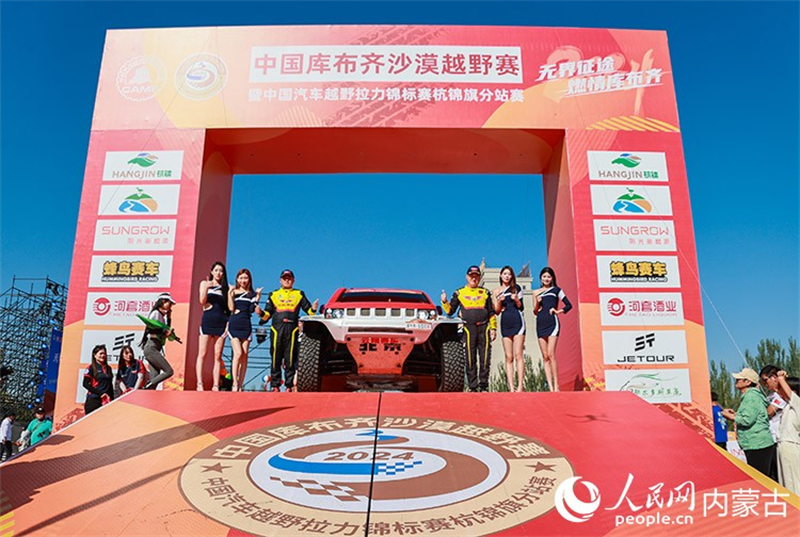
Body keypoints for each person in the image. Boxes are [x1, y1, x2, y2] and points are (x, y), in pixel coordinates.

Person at [259, 269, 318, 393]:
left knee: (290, 358)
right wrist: (260, 313)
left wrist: (313, 308)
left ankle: (289, 386)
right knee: (275, 357)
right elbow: (267, 315)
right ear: (280, 280)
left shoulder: (299, 294)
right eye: (285, 278)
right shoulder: (273, 294)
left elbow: (309, 311)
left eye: (289, 278)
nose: (287, 280)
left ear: (293, 280)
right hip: (277, 329)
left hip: (292, 329)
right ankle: (275, 385)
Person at [441, 265, 497, 392]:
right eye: (471, 276)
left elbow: (491, 312)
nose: (474, 278)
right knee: (470, 359)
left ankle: (484, 386)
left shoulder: (486, 292)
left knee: (485, 358)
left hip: (484, 328)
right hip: (468, 329)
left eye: (476, 276)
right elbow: (450, 311)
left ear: (479, 277)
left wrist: (493, 328)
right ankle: (473, 387)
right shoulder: (459, 293)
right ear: (467, 277)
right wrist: (444, 301)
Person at [721, 368, 776, 478]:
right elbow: (753, 416)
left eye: (740, 379)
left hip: (757, 444)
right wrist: (737, 415)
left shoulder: (750, 396)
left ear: (748, 382)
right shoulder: (753, 396)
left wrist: (731, 416)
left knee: (760, 478)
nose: (736, 381)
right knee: (765, 477)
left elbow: (747, 420)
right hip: (759, 443)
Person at [533, 266, 572, 392]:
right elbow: (535, 311)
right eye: (544, 276)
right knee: (545, 356)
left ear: (552, 278)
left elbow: (569, 304)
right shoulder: (536, 292)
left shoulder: (556, 290)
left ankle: (556, 385)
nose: (546, 279)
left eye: (548, 276)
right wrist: (538, 302)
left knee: (551, 354)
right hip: (540, 323)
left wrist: (558, 311)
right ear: (541, 278)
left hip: (552, 323)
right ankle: (550, 387)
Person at [195, 261, 230, 391]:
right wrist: (207, 287)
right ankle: (199, 383)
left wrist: (227, 325)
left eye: (221, 271)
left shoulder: (226, 288)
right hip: (207, 322)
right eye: (216, 270)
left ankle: (216, 384)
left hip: (221, 323)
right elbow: (202, 301)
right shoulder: (205, 284)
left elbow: (229, 309)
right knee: (202, 353)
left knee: (217, 356)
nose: (218, 273)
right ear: (211, 271)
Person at [227, 269, 263, 392]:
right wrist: (229, 293)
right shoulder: (233, 292)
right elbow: (230, 307)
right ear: (237, 279)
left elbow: (252, 309)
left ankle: (241, 384)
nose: (243, 280)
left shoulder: (251, 294)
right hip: (234, 324)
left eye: (245, 278)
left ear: (249, 280)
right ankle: (234, 384)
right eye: (240, 278)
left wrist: (258, 297)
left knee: (245, 354)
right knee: (237, 353)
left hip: (246, 325)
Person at [493, 265, 525, 392]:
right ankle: (511, 387)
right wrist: (500, 301)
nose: (507, 276)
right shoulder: (496, 291)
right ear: (500, 275)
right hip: (505, 323)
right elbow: (496, 311)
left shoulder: (516, 288)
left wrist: (516, 299)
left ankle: (520, 386)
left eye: (509, 274)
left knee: (518, 355)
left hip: (518, 321)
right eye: (505, 274)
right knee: (508, 356)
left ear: (512, 276)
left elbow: (521, 307)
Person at [139, 293, 177, 389]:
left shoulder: (161, 315)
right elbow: (152, 329)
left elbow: (165, 328)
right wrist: (164, 332)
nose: (170, 306)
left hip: (155, 347)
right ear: (163, 302)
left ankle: (149, 389)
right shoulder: (155, 313)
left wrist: (169, 318)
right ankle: (147, 385)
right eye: (170, 303)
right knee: (169, 371)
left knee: (155, 379)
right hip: (152, 347)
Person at [773, 370, 800, 495]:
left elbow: (788, 392)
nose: (779, 392)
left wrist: (780, 377)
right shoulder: (789, 406)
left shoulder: (797, 402)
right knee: (785, 482)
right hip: (784, 446)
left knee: (792, 482)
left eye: (781, 389)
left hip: (790, 445)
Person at [759, 364, 786, 481]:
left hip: (780, 439)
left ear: (774, 377)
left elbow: (769, 412)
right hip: (771, 439)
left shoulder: (782, 394)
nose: (765, 384)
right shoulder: (770, 396)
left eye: (766, 380)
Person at [83, 344, 114, 415]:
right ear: (95, 355)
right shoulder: (90, 368)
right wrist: (100, 393)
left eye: (104, 354)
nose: (103, 356)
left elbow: (110, 385)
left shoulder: (108, 368)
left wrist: (112, 399)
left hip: (106, 401)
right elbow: (85, 384)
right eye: (100, 353)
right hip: (94, 400)